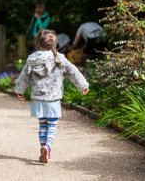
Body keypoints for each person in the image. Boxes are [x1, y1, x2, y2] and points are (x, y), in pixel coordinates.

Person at [15, 29, 89, 164]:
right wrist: (82, 85)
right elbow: (73, 71)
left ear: (37, 42)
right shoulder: (59, 58)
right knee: (52, 126)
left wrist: (20, 90)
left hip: (38, 99)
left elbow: (24, 76)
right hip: (53, 100)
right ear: (54, 43)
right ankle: (47, 147)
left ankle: (43, 150)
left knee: (42, 126)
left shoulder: (32, 59)